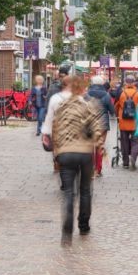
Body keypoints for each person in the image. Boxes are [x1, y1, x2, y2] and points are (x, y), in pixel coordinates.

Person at [48, 75, 102, 239]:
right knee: (85, 190)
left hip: (65, 153)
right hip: (85, 153)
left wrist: (56, 153)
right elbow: (97, 130)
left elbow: (55, 131)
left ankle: (67, 226)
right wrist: (98, 146)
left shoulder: (61, 106)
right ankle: (84, 225)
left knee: (68, 192)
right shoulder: (88, 106)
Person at [86, 75, 116, 177]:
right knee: (100, 146)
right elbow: (112, 110)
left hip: (89, 123)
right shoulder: (106, 95)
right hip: (102, 124)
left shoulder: (86, 94)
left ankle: (90, 169)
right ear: (102, 84)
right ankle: (98, 169)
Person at [115, 76, 138, 169]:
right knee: (136, 141)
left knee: (124, 142)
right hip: (134, 121)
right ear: (134, 83)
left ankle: (125, 162)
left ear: (126, 83)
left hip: (123, 121)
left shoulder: (121, 93)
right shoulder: (137, 94)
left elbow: (117, 105)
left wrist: (117, 116)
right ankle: (133, 157)